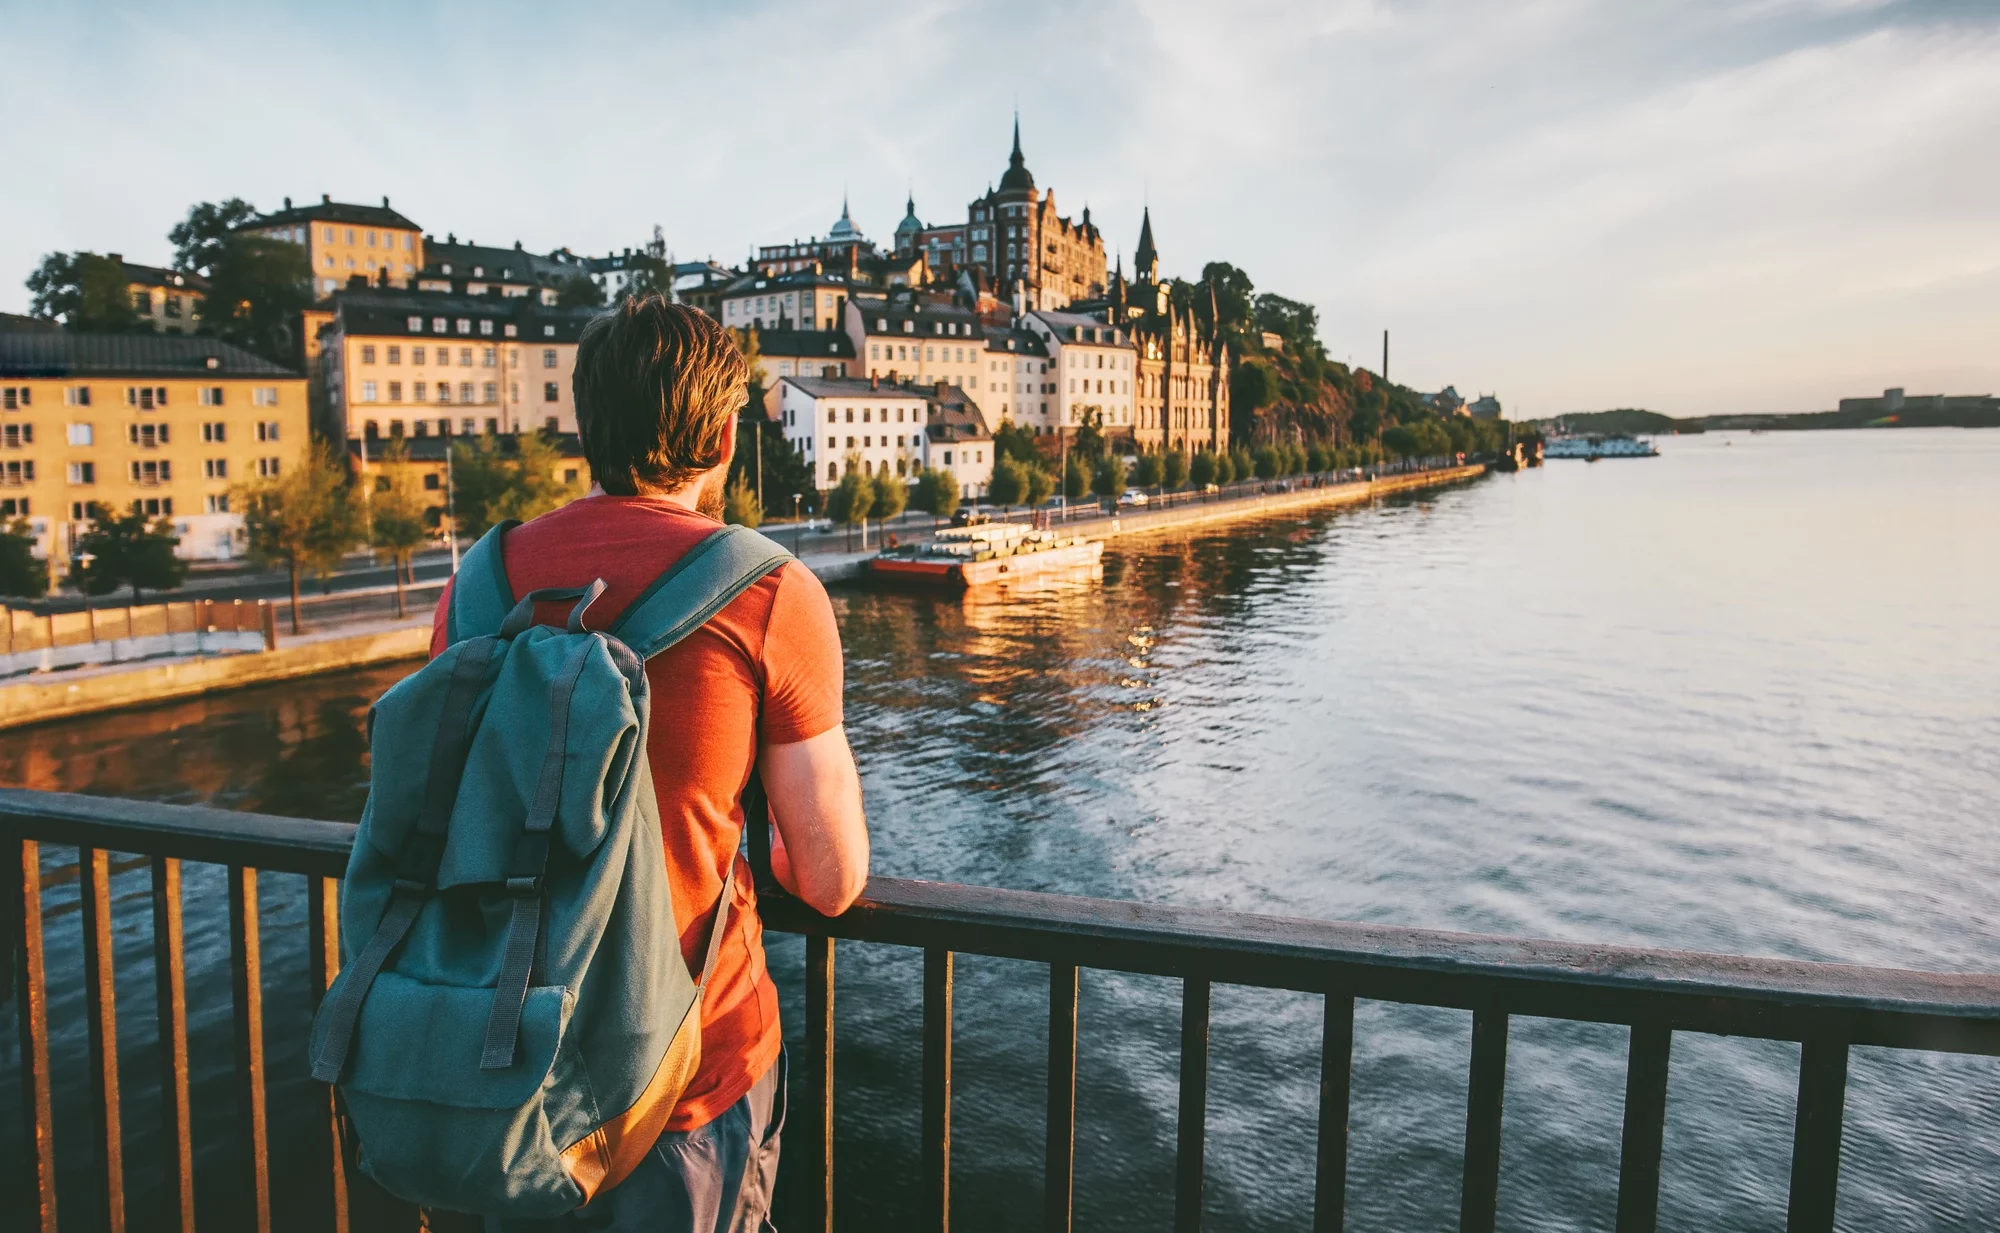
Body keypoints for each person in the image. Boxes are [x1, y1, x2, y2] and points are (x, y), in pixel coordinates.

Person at [426, 295, 869, 1232]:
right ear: (718, 433)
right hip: (686, 1080)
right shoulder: (769, 592)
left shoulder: (478, 585)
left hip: (500, 1061)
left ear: (588, 425)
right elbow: (831, 878)